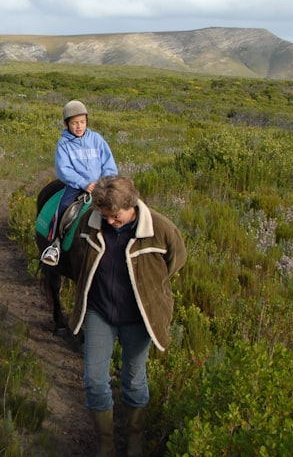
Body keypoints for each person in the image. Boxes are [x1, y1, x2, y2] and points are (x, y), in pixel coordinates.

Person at [69, 175, 187, 457]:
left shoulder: (159, 228)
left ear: (130, 205)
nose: (110, 221)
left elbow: (176, 259)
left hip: (138, 316)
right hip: (100, 312)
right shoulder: (91, 221)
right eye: (105, 216)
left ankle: (134, 437)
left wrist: (150, 288)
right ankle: (105, 443)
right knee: (94, 380)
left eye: (115, 216)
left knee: (134, 379)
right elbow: (79, 256)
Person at [41, 100, 118, 266]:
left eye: (82, 122)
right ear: (66, 124)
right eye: (74, 123)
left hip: (102, 185)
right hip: (77, 186)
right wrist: (83, 183)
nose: (79, 126)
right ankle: (55, 244)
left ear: (87, 121)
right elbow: (64, 169)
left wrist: (105, 182)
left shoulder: (97, 139)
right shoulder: (64, 144)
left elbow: (108, 164)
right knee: (63, 207)